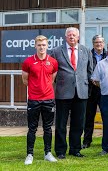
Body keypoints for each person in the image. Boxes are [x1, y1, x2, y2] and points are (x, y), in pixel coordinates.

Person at [51, 27, 93, 159]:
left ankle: (75, 149)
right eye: (69, 35)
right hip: (63, 92)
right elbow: (52, 72)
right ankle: (60, 151)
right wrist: (62, 82)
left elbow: (90, 70)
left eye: (74, 35)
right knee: (61, 124)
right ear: (65, 37)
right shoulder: (56, 51)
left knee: (78, 123)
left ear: (78, 37)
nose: (72, 37)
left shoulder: (86, 51)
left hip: (81, 92)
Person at [22, 35, 59, 165]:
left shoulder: (53, 62)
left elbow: (52, 79)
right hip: (33, 99)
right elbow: (25, 80)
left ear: (47, 46)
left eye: (44, 45)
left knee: (48, 128)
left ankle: (47, 153)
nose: (41, 47)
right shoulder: (28, 62)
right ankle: (29, 154)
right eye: (39, 45)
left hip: (49, 99)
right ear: (35, 46)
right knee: (32, 128)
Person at [82, 35, 108, 149]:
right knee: (89, 117)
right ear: (93, 44)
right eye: (96, 42)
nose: (99, 44)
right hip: (91, 90)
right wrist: (91, 78)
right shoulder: (87, 55)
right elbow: (84, 69)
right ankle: (87, 141)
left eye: (101, 42)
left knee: (107, 116)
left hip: (105, 90)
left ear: (104, 43)